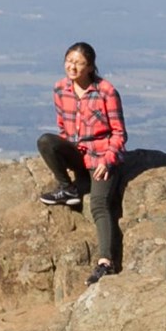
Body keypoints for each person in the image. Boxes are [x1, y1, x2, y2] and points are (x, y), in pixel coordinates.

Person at [36, 42, 127, 285]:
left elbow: (119, 134)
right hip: (78, 153)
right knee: (46, 141)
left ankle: (106, 262)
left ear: (90, 67)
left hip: (101, 158)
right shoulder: (60, 89)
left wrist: (108, 161)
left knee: (99, 205)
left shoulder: (106, 91)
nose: (72, 66)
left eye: (79, 62)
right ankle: (67, 187)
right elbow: (63, 128)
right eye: (69, 60)